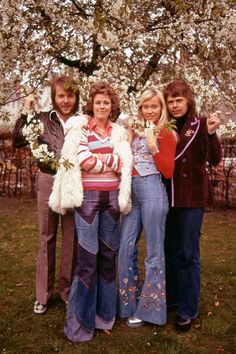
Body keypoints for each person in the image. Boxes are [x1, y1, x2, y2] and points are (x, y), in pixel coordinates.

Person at [49, 81, 133, 342]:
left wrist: (103, 162)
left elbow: (123, 163)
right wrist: (108, 162)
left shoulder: (118, 132)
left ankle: (104, 316)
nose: (102, 106)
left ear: (112, 106)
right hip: (88, 199)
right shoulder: (80, 128)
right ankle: (80, 323)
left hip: (112, 200)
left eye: (106, 103)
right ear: (92, 104)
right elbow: (83, 160)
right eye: (98, 102)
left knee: (108, 258)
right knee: (87, 260)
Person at [12, 75, 80, 314]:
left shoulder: (82, 121)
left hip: (72, 181)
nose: (65, 100)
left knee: (72, 238)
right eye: (61, 96)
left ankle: (67, 291)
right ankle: (42, 294)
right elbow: (18, 140)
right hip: (48, 179)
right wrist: (25, 110)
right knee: (46, 236)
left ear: (76, 96)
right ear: (54, 97)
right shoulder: (41, 119)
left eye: (70, 95)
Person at [163, 79, 222, 332]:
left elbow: (215, 158)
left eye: (179, 100)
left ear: (188, 100)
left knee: (188, 252)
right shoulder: (162, 127)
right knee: (170, 249)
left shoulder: (201, 124)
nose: (175, 105)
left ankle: (188, 308)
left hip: (192, 198)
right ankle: (173, 298)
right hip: (168, 197)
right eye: (171, 101)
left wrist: (211, 133)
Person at [118, 87, 177, 327]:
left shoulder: (166, 133)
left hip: (153, 190)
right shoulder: (134, 129)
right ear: (140, 108)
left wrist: (153, 146)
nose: (150, 110)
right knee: (125, 249)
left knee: (154, 253)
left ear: (161, 108)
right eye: (146, 106)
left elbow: (168, 171)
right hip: (132, 192)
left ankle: (151, 310)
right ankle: (129, 303)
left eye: (154, 106)